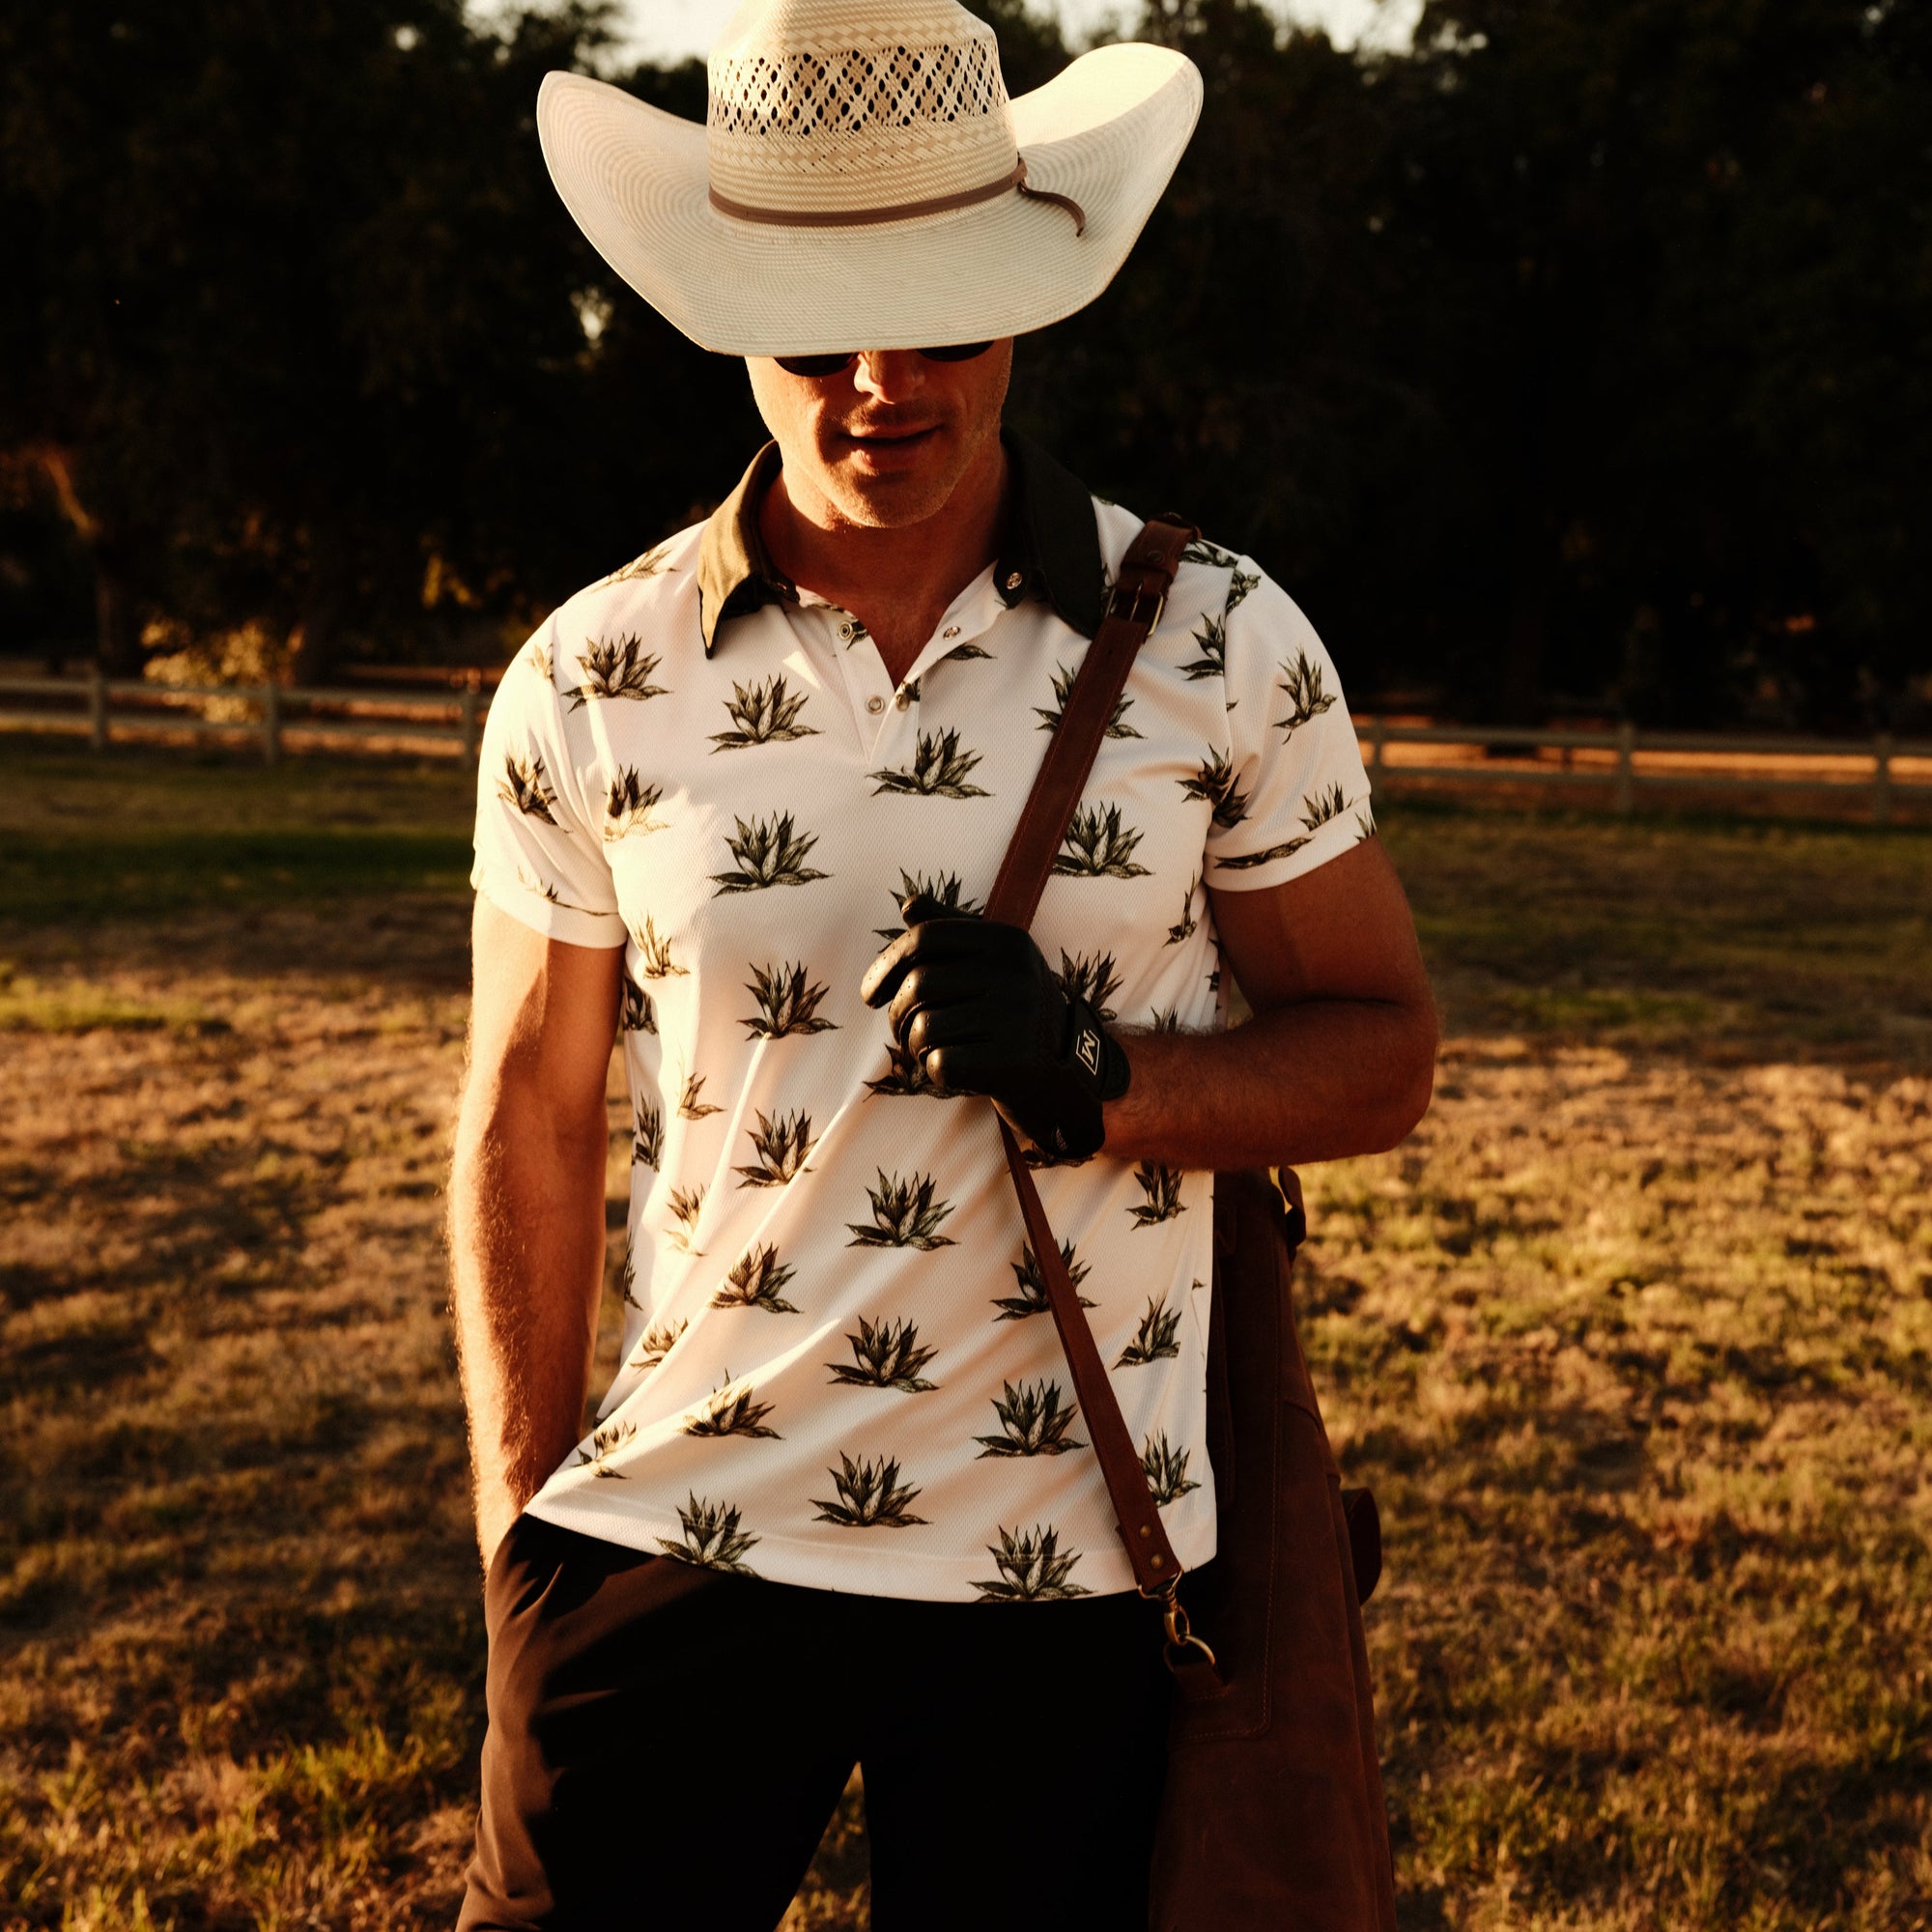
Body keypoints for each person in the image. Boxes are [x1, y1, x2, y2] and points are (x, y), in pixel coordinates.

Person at [448, 4, 1436, 1926]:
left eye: (944, 324)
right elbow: (529, 1109)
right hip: (670, 1528)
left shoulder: (1219, 643)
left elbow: (1380, 1052)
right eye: (815, 337)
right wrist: (519, 1530)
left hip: (1057, 1570)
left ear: (1026, 304)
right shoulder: (592, 670)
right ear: (726, 305)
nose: (880, 387)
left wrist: (1109, 1069)